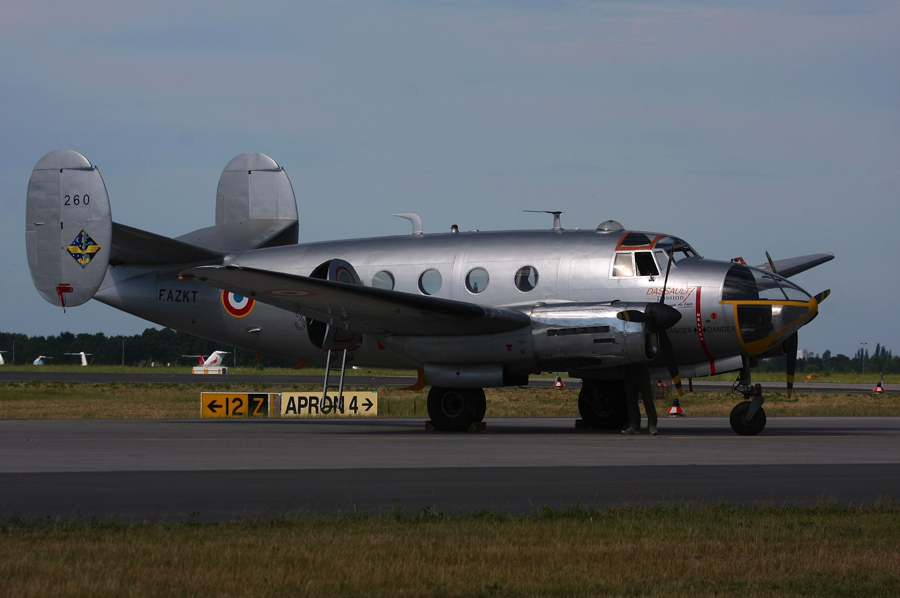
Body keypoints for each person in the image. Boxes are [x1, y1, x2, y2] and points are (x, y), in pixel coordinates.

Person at [621, 363, 659, 435]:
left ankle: (652, 425)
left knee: (647, 400)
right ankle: (634, 425)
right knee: (631, 401)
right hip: (629, 372)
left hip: (641, 371)